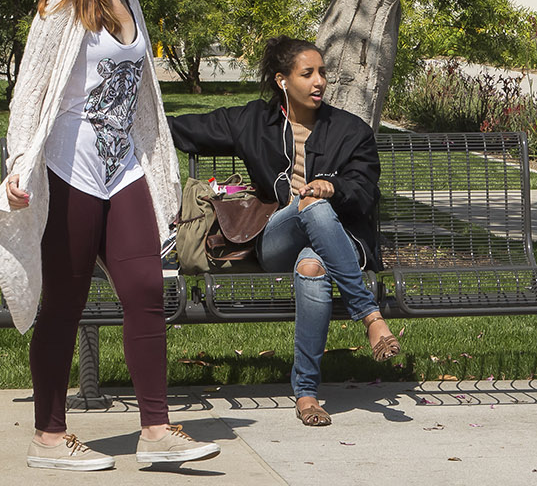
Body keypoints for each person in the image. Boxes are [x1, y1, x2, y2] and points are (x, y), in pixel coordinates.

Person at [0, 0, 218, 471]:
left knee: (147, 291)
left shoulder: (129, 0)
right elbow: (31, 91)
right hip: (69, 168)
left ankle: (156, 430)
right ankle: (49, 438)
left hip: (123, 167)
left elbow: (143, 103)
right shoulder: (62, 3)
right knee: (65, 302)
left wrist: (158, 177)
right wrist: (19, 166)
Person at [166, 37, 401, 428]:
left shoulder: (350, 130)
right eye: (307, 73)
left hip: (340, 239)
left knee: (312, 267)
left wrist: (334, 187)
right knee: (309, 206)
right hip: (278, 238)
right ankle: (370, 316)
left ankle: (307, 393)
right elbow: (182, 129)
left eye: (322, 72)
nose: (319, 82)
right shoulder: (254, 122)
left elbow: (363, 193)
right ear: (282, 81)